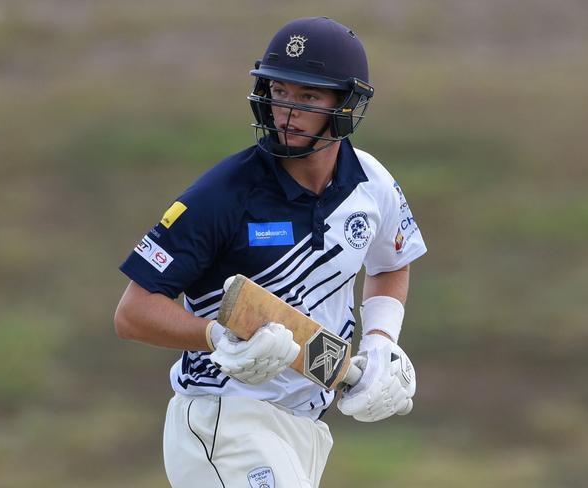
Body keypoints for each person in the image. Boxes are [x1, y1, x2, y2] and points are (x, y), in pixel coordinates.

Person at [114, 16, 427, 488]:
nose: (286, 112)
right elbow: (132, 313)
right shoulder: (223, 194)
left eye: (308, 97)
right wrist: (218, 337)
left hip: (305, 429)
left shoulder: (371, 183)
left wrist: (381, 343)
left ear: (345, 105)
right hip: (225, 420)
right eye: (279, 92)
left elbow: (391, 263)